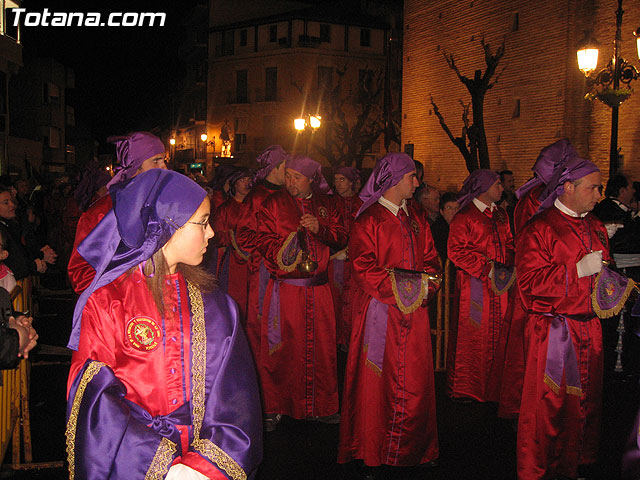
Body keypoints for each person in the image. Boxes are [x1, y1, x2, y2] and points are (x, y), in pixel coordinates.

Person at [66, 169, 262, 480]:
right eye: (201, 222)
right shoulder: (107, 303)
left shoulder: (219, 307)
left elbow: (237, 400)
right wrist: (159, 463)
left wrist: (200, 468)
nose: (211, 233)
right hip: (133, 462)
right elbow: (95, 398)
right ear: (165, 227)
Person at [337, 153, 440, 471]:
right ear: (395, 179)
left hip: (415, 315)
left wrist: (426, 288)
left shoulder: (417, 217)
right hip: (381, 314)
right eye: (412, 177)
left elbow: (433, 262)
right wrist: (410, 288)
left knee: (416, 380)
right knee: (378, 383)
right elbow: (362, 268)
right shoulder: (368, 220)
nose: (417, 183)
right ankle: (375, 448)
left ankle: (413, 448)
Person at [516, 157, 607, 479]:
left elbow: (603, 280)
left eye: (600, 187)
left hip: (589, 328)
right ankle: (541, 467)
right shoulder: (540, 228)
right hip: (554, 331)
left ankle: (578, 460)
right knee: (549, 405)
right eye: (593, 187)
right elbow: (528, 285)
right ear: (568, 188)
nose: (599, 195)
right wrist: (576, 271)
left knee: (587, 401)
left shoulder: (595, 226)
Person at [254, 155, 346, 430]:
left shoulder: (328, 204)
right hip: (286, 291)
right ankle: (275, 406)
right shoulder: (273, 203)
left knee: (322, 349)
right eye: (288, 175)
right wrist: (289, 248)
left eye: (296, 177)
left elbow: (342, 235)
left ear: (311, 179)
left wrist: (321, 229)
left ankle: (321, 406)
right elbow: (263, 240)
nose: (290, 181)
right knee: (280, 350)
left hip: (318, 290)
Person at [498, 139, 578, 419]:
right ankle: (527, 407)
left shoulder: (536, 194)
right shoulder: (537, 198)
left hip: (545, 279)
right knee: (529, 348)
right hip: (538, 281)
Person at [67, 132, 167, 294]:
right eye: (156, 160)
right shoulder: (102, 212)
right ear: (135, 166)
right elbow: (81, 274)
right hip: (121, 308)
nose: (164, 167)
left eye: (164, 160)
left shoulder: (164, 204)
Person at [447, 169, 515, 403]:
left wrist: (510, 266)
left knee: (499, 333)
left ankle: (494, 386)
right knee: (474, 334)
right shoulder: (465, 216)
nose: (501, 188)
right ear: (484, 187)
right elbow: (456, 251)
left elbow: (509, 244)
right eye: (497, 184)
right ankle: (468, 387)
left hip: (501, 285)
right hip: (474, 285)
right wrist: (487, 268)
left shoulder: (501, 215)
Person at [235, 146, 288, 363]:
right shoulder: (256, 197)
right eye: (286, 167)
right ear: (275, 169)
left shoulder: (287, 195)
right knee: (262, 324)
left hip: (285, 272)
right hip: (264, 271)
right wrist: (274, 246)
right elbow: (244, 236)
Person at [212, 167, 254, 323]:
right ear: (234, 184)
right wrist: (233, 237)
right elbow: (217, 236)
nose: (246, 184)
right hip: (233, 263)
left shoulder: (256, 206)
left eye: (248, 180)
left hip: (254, 262)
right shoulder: (225, 209)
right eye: (242, 180)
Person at [331, 166, 363, 349]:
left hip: (353, 261)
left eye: (342, 179)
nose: (338, 183)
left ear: (351, 182)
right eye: (335, 179)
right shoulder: (329, 203)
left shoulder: (361, 205)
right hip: (334, 259)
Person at [429, 191, 459, 261]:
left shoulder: (465, 226)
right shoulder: (436, 230)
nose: (454, 211)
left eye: (457, 208)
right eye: (449, 208)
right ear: (442, 211)